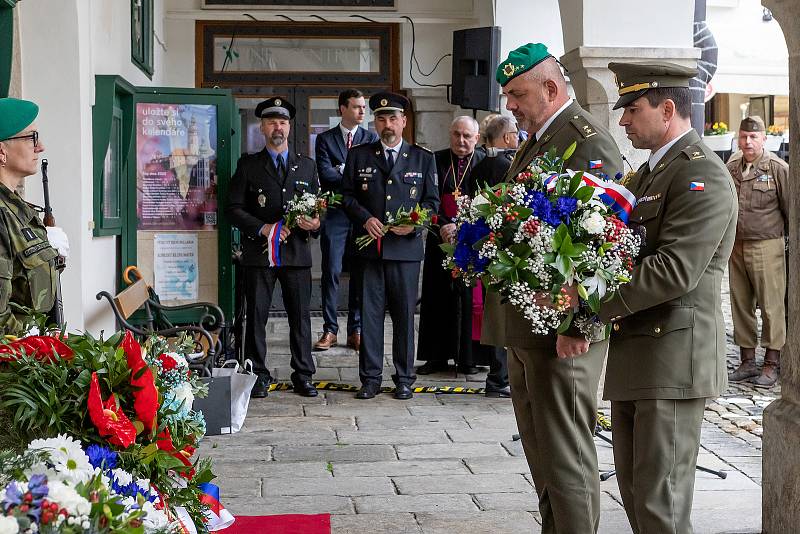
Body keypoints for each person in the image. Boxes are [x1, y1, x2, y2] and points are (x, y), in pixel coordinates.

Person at [559, 62, 736, 534]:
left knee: (662, 504)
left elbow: (675, 269)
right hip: (639, 353)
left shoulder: (702, 176)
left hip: (674, 357)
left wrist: (590, 301)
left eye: (633, 109)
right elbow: (616, 252)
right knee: (638, 497)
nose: (623, 121)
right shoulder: (648, 176)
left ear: (669, 108)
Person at [484, 43, 623, 534]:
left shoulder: (587, 142)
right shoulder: (539, 138)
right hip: (529, 325)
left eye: (517, 94)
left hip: (562, 332)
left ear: (550, 86)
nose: (511, 106)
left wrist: (580, 321)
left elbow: (607, 243)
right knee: (541, 452)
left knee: (566, 455)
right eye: (507, 96)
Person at [342, 91, 439, 400]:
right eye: (382, 118)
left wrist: (415, 223)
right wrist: (364, 218)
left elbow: (432, 203)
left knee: (403, 317)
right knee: (369, 316)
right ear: (375, 121)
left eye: (393, 118)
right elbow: (346, 197)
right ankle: (370, 379)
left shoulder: (423, 158)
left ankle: (404, 378)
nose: (387, 124)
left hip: (406, 251)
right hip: (370, 249)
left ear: (404, 121)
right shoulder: (359, 154)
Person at [226, 97, 321, 399]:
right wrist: (263, 228)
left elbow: (320, 210)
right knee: (256, 318)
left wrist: (315, 223)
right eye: (271, 122)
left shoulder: (307, 166)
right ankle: (258, 375)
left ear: (289, 127)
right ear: (262, 127)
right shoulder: (248, 165)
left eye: (282, 122)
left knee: (300, 318)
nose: (277, 127)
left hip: (296, 255)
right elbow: (233, 208)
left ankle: (303, 375)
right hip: (259, 254)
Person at [417, 116, 485, 376]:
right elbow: (427, 199)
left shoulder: (483, 163)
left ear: (476, 138)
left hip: (472, 240)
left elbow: (488, 201)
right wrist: (442, 225)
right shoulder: (434, 160)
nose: (461, 140)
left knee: (469, 301)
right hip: (440, 238)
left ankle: (469, 358)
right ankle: (435, 357)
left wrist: (463, 228)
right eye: (457, 134)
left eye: (467, 136)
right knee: (436, 297)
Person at [313, 89, 378, 352]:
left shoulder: (370, 137)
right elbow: (326, 174)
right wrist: (353, 175)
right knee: (331, 271)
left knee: (361, 272)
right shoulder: (325, 139)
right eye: (357, 107)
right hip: (337, 214)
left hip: (362, 216)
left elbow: (371, 176)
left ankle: (356, 329)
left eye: (364, 107)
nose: (362, 112)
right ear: (342, 109)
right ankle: (330, 329)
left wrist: (344, 170)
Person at [725, 116, 788, 387]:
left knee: (772, 305)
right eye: (743, 137)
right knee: (741, 304)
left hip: (767, 244)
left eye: (753, 137)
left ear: (763, 138)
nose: (747, 142)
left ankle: (772, 363)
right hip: (736, 245)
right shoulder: (732, 168)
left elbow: (789, 207)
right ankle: (747, 360)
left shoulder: (777, 168)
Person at [0, 98, 69, 335]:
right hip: (14, 362)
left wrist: (49, 254)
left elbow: (24, 285)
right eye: (32, 137)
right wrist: (37, 340)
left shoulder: (18, 209)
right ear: (2, 151)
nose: (40, 146)